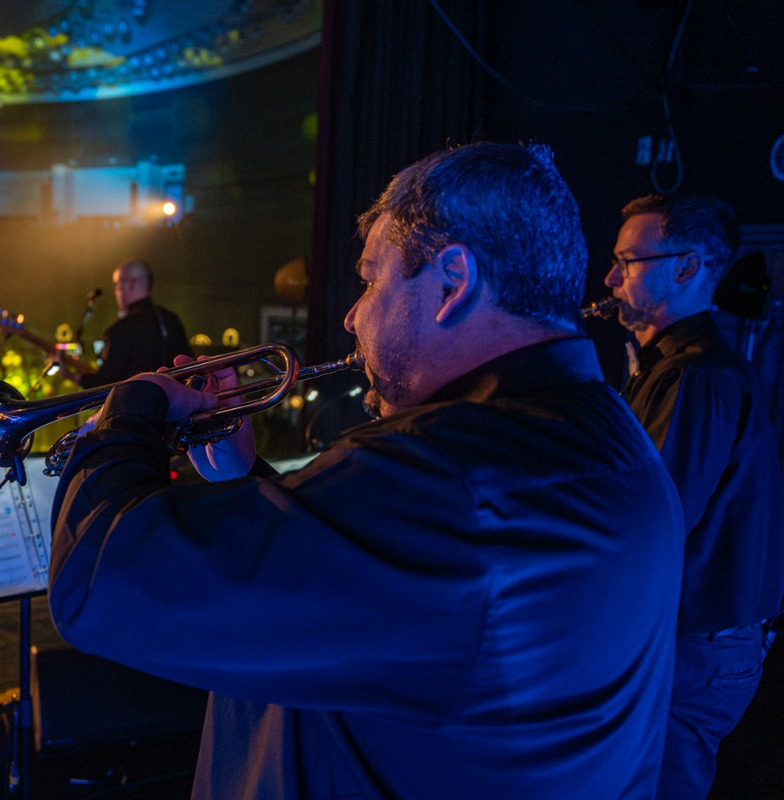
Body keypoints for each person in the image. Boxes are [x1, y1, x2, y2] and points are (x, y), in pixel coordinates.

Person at [47, 143, 685, 798]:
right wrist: (247, 481)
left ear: (453, 282)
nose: (353, 315)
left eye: (372, 279)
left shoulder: (447, 475)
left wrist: (133, 408)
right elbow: (392, 609)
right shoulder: (611, 435)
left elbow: (98, 581)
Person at [604, 194, 784, 799]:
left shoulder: (695, 376)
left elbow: (651, 522)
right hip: (699, 645)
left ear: (686, 268)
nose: (608, 279)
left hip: (694, 650)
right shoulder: (680, 369)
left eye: (628, 261)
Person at [74, 259, 192, 388]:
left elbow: (106, 385)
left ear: (130, 283)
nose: (116, 291)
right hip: (174, 404)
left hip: (134, 405)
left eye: (116, 285)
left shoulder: (122, 329)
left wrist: (74, 376)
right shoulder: (171, 320)